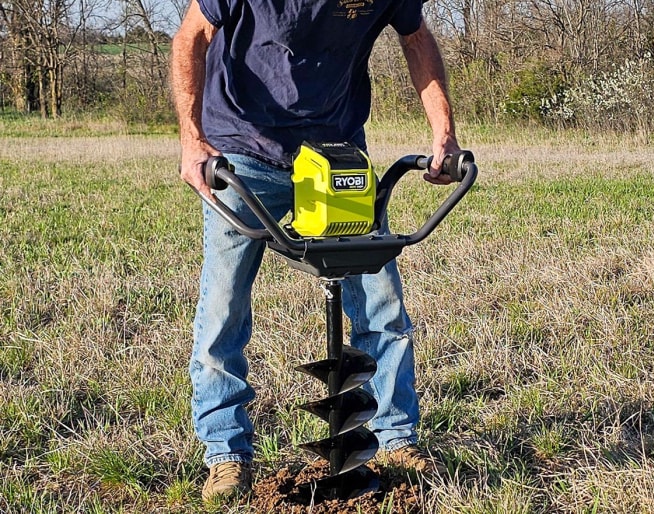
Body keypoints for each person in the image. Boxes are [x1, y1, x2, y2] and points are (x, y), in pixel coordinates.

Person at [171, 0, 461, 502]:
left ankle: (396, 439)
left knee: (381, 304)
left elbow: (416, 39)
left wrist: (444, 134)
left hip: (337, 155)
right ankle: (226, 453)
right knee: (223, 308)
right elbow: (190, 37)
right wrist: (192, 139)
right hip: (245, 151)